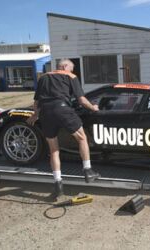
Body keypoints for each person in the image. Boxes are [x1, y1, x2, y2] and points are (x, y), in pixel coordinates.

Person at [27, 59, 101, 200]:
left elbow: (36, 102)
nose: (71, 71)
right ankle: (87, 170)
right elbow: (82, 100)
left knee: (54, 150)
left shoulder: (43, 77)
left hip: (45, 113)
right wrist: (93, 108)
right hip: (62, 109)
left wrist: (35, 116)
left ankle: (58, 184)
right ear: (65, 66)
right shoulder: (71, 76)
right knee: (82, 138)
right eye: (71, 69)